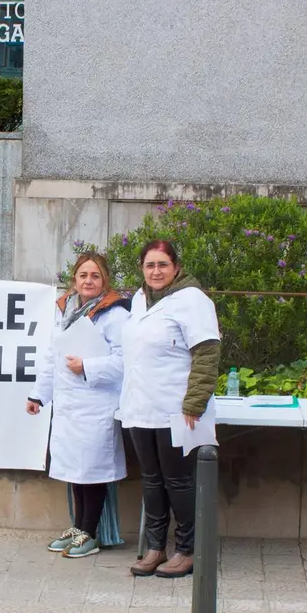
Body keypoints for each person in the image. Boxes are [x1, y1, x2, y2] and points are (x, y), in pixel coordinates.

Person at [117, 239, 221, 578]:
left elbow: (206, 353)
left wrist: (194, 402)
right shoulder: (139, 299)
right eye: (150, 265)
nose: (156, 271)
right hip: (139, 407)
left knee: (178, 481)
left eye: (163, 264)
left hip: (177, 409)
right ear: (142, 269)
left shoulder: (192, 300)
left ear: (176, 267)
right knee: (151, 480)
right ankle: (155, 547)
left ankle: (188, 550)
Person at [26, 252, 130, 558]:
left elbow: (125, 361)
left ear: (104, 280)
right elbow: (52, 356)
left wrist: (87, 366)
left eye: (95, 275)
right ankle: (78, 527)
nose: (88, 281)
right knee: (75, 471)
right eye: (83, 275)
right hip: (69, 405)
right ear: (74, 279)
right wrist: (38, 395)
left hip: (97, 403)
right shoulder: (66, 309)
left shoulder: (115, 314)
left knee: (92, 472)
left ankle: (90, 533)